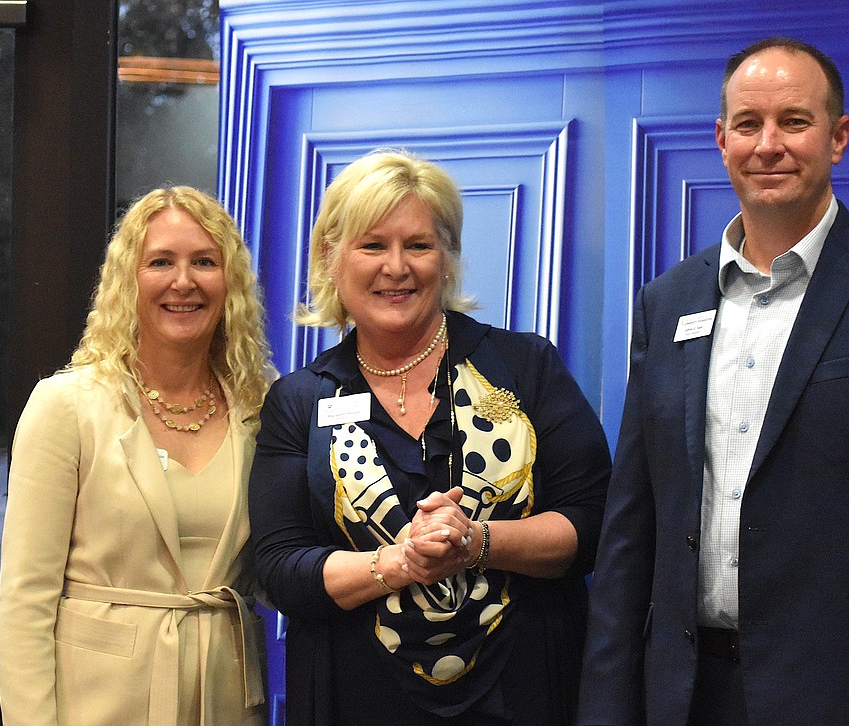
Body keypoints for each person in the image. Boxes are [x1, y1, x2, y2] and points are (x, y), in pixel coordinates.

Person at [578, 37, 849, 726]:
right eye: (748, 124)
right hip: (683, 694)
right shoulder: (668, 302)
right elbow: (633, 523)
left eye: (795, 122)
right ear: (721, 141)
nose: (768, 144)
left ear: (838, 138)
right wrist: (604, 706)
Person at [249, 149, 611, 725]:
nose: (397, 267)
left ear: (447, 258)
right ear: (330, 257)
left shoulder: (525, 366)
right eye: (373, 245)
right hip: (357, 699)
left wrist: (478, 543)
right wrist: (400, 564)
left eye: (418, 245)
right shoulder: (299, 401)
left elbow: (592, 522)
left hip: (525, 691)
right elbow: (279, 568)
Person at [0, 186, 276, 725]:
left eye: (204, 262)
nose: (183, 281)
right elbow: (26, 603)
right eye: (160, 262)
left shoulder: (262, 409)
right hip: (99, 706)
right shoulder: (66, 407)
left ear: (231, 284)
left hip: (226, 703)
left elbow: (280, 566)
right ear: (128, 280)